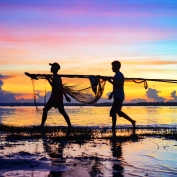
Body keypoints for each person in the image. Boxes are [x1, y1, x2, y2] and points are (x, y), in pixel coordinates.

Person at [107, 61, 136, 133]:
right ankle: (132, 121)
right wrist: (111, 93)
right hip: (118, 96)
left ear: (118, 67)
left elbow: (119, 86)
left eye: (113, 66)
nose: (112, 68)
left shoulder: (119, 75)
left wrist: (110, 82)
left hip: (119, 97)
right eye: (112, 66)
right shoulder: (116, 75)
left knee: (113, 112)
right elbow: (116, 86)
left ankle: (113, 127)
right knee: (118, 112)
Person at [40, 62, 72, 127]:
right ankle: (42, 125)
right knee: (46, 110)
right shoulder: (55, 77)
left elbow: (57, 86)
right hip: (54, 96)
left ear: (56, 69)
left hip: (57, 96)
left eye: (52, 67)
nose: (51, 68)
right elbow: (55, 85)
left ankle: (70, 126)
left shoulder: (57, 77)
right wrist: (48, 79)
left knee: (62, 112)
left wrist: (48, 79)